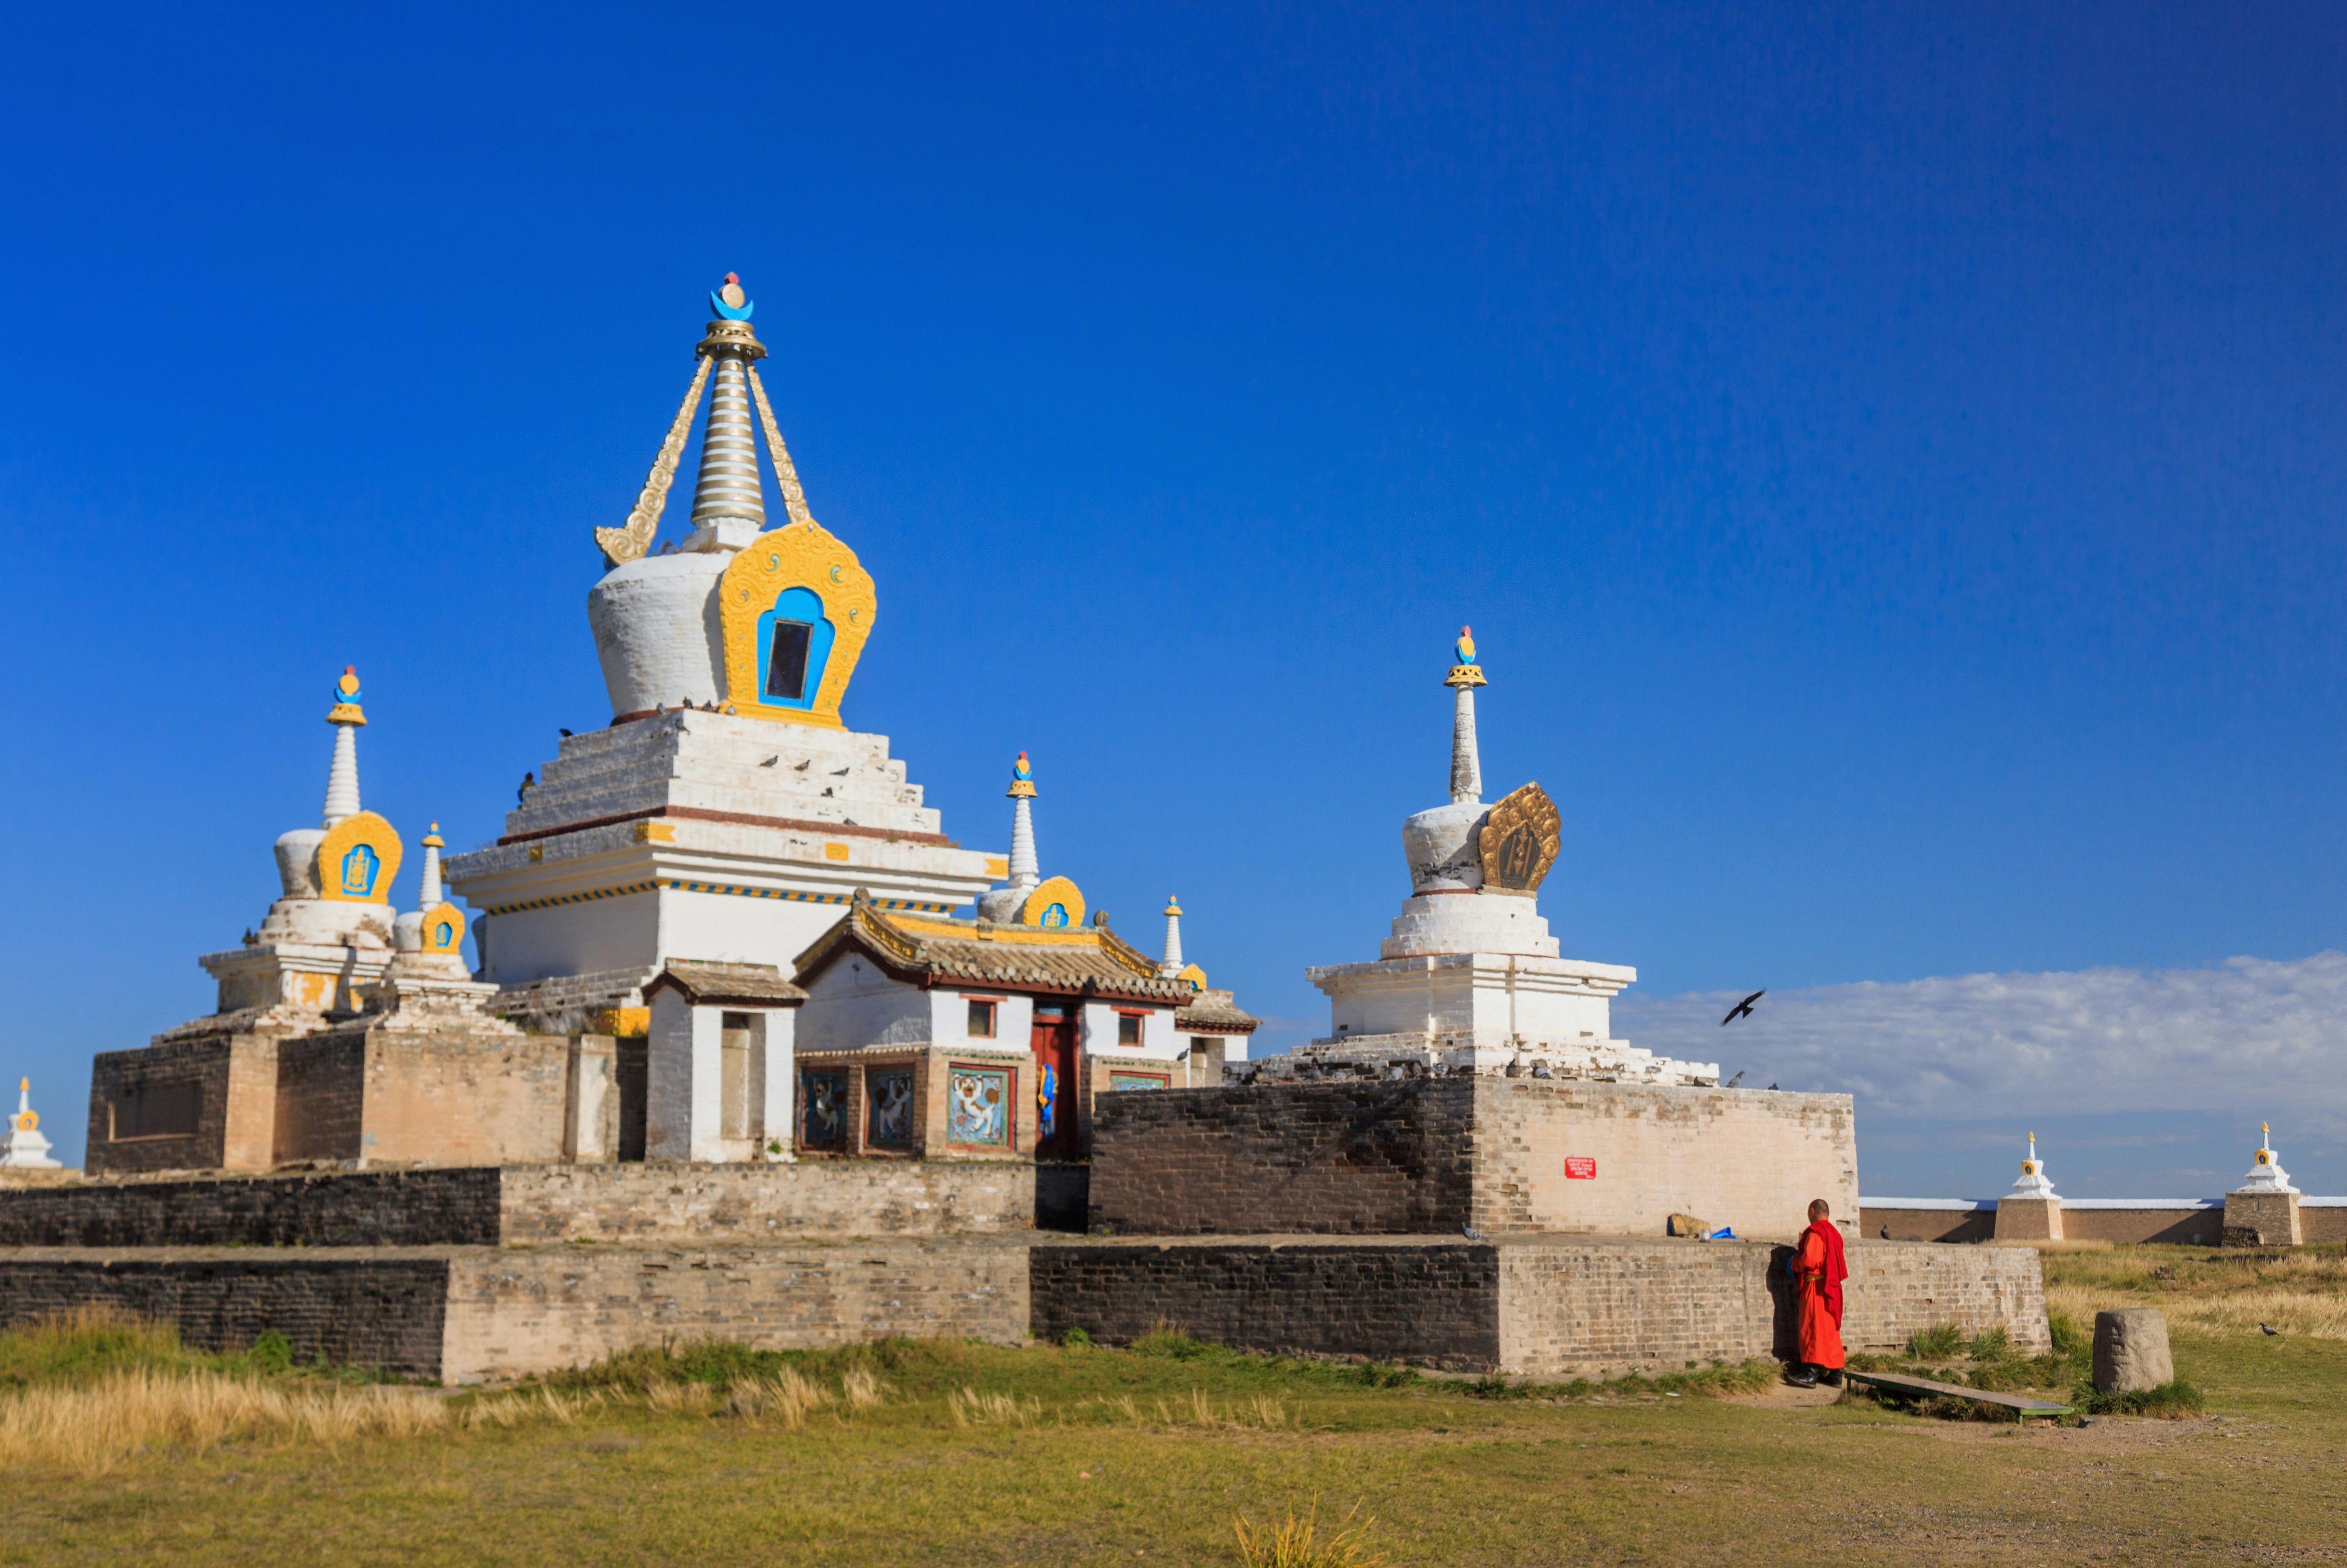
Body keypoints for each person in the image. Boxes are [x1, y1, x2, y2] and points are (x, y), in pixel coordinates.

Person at [1784, 1197, 1848, 1388]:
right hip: (1832, 1289)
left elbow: (1810, 1260)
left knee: (1811, 1328)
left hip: (1816, 1288)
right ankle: (1836, 1374)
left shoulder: (1816, 1233)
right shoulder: (1835, 1234)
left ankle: (1810, 1373)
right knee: (1831, 1331)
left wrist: (1795, 1264)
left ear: (1812, 1212)